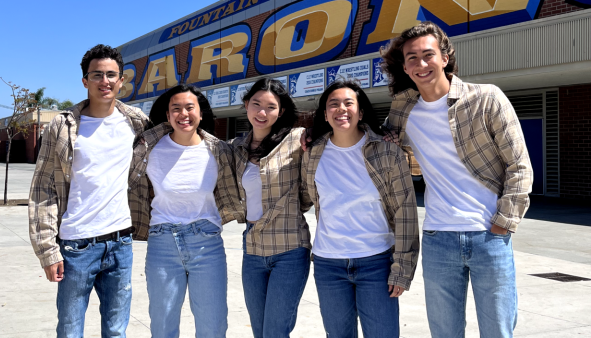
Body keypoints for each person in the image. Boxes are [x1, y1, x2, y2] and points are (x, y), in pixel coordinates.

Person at [380, 22, 533, 338]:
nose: (421, 64)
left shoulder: (486, 98)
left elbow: (519, 167)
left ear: (445, 57)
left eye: (428, 55)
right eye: (412, 58)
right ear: (404, 66)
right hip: (438, 239)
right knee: (444, 332)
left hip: (488, 236)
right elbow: (389, 151)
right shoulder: (402, 110)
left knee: (497, 331)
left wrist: (504, 221)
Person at [29, 44, 149, 337]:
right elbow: (43, 189)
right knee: (70, 331)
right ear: (85, 81)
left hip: (121, 243)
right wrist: (48, 251)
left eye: (111, 75)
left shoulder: (136, 122)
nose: (104, 81)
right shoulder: (63, 125)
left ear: (121, 80)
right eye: (97, 75)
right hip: (75, 246)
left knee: (116, 331)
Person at [302, 79, 419, 338]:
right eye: (333, 104)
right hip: (328, 264)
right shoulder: (312, 153)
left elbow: (406, 213)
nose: (341, 109)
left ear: (361, 111)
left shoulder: (388, 152)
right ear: (324, 114)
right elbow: (307, 196)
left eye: (348, 103)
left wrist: (402, 268)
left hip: (376, 262)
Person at [126, 84, 241, 338]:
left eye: (190, 108)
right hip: (162, 243)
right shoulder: (148, 149)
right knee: (163, 325)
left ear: (200, 113)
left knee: (213, 326)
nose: (183, 114)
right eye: (175, 109)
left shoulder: (218, 151)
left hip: (207, 244)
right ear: (167, 116)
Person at [230, 78, 312, 338]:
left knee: (275, 331)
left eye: (271, 107)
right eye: (256, 104)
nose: (262, 113)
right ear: (246, 105)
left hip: (289, 248)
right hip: (252, 249)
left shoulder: (298, 140)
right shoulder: (236, 148)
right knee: (259, 330)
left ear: (282, 111)